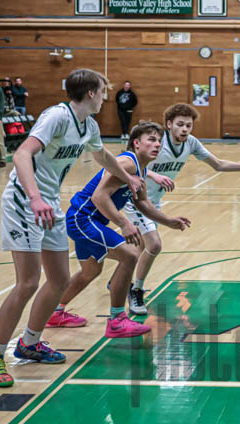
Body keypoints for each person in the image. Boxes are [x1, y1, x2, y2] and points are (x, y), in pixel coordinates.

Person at [0, 69, 144, 389]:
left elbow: (102, 155)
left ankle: (29, 343)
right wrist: (35, 197)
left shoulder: (89, 125)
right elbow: (22, 154)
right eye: (103, 90)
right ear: (91, 93)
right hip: (25, 202)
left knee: (59, 280)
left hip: (50, 204)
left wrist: (128, 177)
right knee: (28, 283)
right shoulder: (56, 116)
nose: (106, 96)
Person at [116, 104, 240, 315]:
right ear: (169, 125)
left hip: (154, 201)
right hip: (135, 198)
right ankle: (136, 291)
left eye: (188, 125)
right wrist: (152, 175)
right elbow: (126, 161)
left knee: (140, 248)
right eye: (180, 124)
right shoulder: (156, 141)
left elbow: (218, 164)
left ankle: (119, 280)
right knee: (154, 245)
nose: (185, 129)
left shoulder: (191, 143)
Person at [58, 121, 191, 339]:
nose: (157, 144)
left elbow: (142, 203)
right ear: (136, 143)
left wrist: (168, 221)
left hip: (89, 220)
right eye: (151, 140)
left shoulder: (141, 168)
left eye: (159, 141)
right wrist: (124, 224)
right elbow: (99, 196)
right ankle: (117, 320)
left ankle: (56, 312)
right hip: (83, 218)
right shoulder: (128, 163)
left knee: (91, 271)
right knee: (130, 255)